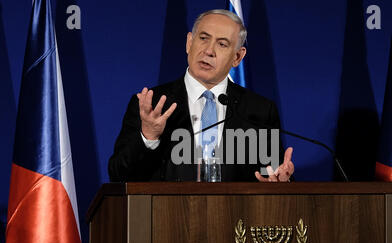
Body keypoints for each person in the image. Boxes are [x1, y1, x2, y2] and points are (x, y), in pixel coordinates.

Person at [108, 9, 294, 182]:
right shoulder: (152, 105)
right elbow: (119, 175)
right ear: (189, 42)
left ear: (237, 56)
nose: (209, 51)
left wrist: (278, 181)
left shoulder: (259, 110)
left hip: (236, 216)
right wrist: (148, 136)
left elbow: (273, 173)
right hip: (167, 215)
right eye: (203, 38)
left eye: (222, 44)